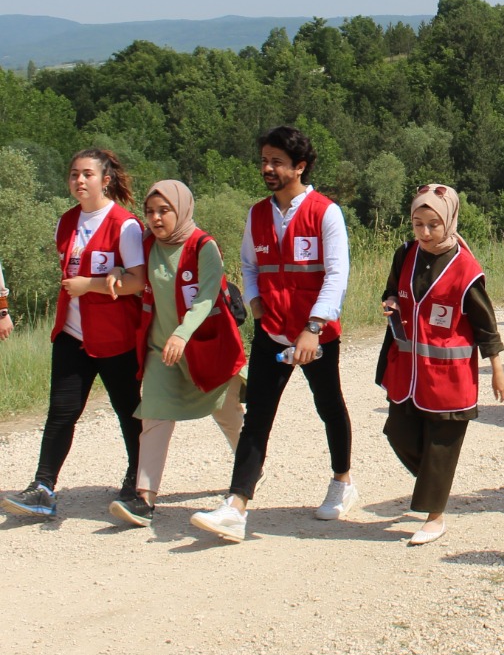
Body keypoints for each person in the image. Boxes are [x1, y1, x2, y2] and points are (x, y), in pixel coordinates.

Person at [190, 127, 355, 544]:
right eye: (264, 159)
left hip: (314, 335)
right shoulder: (257, 214)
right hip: (272, 332)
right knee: (258, 417)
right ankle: (236, 505)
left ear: (299, 167)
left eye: (276, 161)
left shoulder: (325, 212)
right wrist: (254, 300)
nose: (267, 168)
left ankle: (342, 481)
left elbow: (336, 275)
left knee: (329, 406)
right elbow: (248, 263)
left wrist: (314, 328)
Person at [2, 149, 148, 520]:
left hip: (115, 337)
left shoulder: (124, 224)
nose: (79, 181)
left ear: (106, 179)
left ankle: (138, 483)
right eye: (73, 174)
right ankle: (43, 487)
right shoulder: (65, 222)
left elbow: (137, 282)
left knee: (129, 412)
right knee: (62, 412)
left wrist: (92, 285)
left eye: (87, 174)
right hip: (72, 334)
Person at [377, 185, 504, 545]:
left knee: (441, 445)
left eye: (432, 224)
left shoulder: (466, 269)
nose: (424, 233)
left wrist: (497, 367)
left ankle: (435, 517)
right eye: (417, 223)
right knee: (398, 432)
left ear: (449, 221)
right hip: (408, 371)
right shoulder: (405, 253)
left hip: (450, 379)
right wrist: (390, 302)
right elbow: (391, 290)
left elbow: (485, 323)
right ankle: (437, 483)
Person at [112, 181, 247, 528]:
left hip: (207, 347)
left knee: (229, 416)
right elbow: (132, 274)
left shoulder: (204, 246)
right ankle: (145, 499)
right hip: (162, 350)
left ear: (182, 210)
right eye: (150, 212)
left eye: (164, 211)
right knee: (154, 417)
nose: (156, 219)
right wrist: (117, 273)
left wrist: (183, 333)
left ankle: (248, 471)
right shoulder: (145, 245)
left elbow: (206, 297)